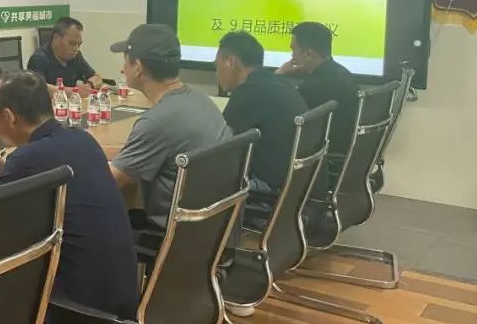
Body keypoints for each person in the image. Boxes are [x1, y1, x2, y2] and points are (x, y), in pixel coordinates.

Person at [0, 72, 138, 324]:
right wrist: (10, 177)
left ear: (9, 117)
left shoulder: (28, 159)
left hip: (74, 319)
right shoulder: (82, 140)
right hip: (119, 310)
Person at [108, 24, 230, 233]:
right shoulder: (201, 100)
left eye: (125, 61)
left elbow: (111, 180)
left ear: (137, 67)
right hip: (212, 229)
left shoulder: (156, 122)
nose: (122, 68)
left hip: (173, 236)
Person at [215, 31, 308, 202]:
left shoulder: (247, 92)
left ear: (231, 62)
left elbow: (222, 148)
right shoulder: (277, 82)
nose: (217, 73)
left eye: (217, 66)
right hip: (296, 186)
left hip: (271, 189)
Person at [276, 21, 358, 156]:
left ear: (308, 54)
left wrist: (278, 75)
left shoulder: (312, 88)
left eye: (293, 50)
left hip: (323, 157)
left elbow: (283, 122)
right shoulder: (343, 74)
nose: (292, 57)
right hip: (343, 152)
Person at [27, 17, 102, 91]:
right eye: (72, 43)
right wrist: (74, 91)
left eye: (79, 44)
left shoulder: (76, 55)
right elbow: (40, 88)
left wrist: (89, 85)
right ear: (56, 38)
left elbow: (97, 77)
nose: (76, 49)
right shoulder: (39, 58)